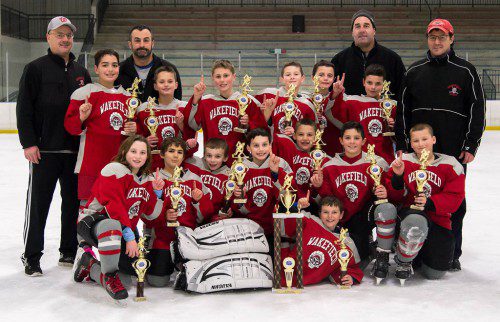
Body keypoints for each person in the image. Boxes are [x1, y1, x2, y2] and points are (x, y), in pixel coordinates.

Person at [395, 19, 485, 270]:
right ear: (427, 39)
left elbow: (477, 109)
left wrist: (471, 144)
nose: (437, 42)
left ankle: (451, 252)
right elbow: (402, 111)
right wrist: (402, 142)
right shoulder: (414, 71)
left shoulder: (465, 71)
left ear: (451, 39)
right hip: (419, 150)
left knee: (453, 202)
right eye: (432, 37)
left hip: (454, 152)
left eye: (441, 37)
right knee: (415, 197)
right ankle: (413, 246)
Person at [16, 16, 91, 276]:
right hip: (44, 151)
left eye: (69, 35)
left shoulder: (81, 72)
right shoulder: (35, 68)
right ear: (48, 37)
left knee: (71, 204)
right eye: (59, 34)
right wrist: (28, 143)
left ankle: (68, 251)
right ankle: (32, 256)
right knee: (39, 206)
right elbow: (23, 108)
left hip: (73, 152)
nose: (65, 39)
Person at [73, 135, 165, 300]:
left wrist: (157, 193)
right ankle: (109, 276)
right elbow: (113, 206)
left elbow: (152, 214)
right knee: (112, 225)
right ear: (124, 151)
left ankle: (89, 265)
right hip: (93, 222)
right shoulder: (114, 169)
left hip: (123, 229)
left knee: (126, 281)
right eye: (134, 151)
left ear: (148, 156)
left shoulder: (147, 179)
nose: (138, 156)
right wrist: (130, 236)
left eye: (143, 152)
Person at [312, 122, 399, 279]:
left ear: (364, 141)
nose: (352, 142)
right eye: (348, 138)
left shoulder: (376, 162)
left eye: (356, 138)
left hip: (365, 215)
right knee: (349, 260)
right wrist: (319, 187)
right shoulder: (330, 166)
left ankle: (381, 252)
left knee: (385, 209)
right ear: (340, 141)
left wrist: (386, 191)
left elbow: (391, 191)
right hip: (342, 219)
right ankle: (369, 247)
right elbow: (328, 199)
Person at [389, 124, 465, 284]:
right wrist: (398, 176)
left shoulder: (451, 164)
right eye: (416, 140)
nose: (421, 144)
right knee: (415, 219)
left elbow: (455, 197)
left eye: (424, 139)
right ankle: (405, 258)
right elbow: (393, 195)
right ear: (410, 143)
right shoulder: (403, 161)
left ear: (433, 139)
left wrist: (429, 202)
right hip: (411, 217)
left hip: (438, 221)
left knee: (434, 273)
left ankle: (420, 254)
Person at [65, 49, 137, 204]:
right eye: (105, 65)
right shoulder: (84, 93)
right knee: (88, 213)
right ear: (96, 69)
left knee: (119, 211)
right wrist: (81, 118)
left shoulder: (129, 98)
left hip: (121, 166)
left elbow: (136, 135)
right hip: (91, 167)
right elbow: (70, 127)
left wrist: (134, 130)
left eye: (114, 65)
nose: (110, 69)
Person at [146, 137, 213, 287]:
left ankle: (180, 264)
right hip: (162, 239)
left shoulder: (194, 178)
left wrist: (197, 201)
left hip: (189, 240)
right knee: (157, 282)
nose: (175, 155)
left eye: (179, 152)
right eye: (171, 151)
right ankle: (169, 263)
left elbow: (205, 215)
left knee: (194, 280)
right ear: (162, 154)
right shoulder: (153, 179)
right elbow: (146, 216)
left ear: (184, 156)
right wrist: (163, 216)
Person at [185, 59, 267, 165]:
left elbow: (261, 132)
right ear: (213, 79)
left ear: (233, 77)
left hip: (240, 162)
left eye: (226, 75)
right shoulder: (205, 102)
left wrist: (247, 125)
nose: (222, 80)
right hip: (213, 163)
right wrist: (196, 97)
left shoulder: (248, 101)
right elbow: (192, 125)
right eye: (218, 77)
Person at [281, 196, 363, 287]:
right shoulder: (309, 221)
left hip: (310, 286)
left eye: (334, 212)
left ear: (341, 215)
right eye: (325, 212)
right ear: (320, 214)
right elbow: (284, 225)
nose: (330, 216)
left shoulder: (346, 243)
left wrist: (350, 277)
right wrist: (297, 207)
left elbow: (351, 268)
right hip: (287, 274)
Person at [233, 128, 292, 251]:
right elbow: (237, 207)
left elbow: (289, 196)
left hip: (276, 228)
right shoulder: (239, 167)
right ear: (248, 148)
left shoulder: (281, 163)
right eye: (256, 145)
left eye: (264, 145)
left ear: (270, 146)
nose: (261, 149)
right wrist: (239, 197)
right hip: (249, 228)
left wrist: (276, 173)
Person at [331, 9, 406, 102]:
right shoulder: (339, 60)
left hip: (384, 115)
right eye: (357, 26)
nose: (362, 30)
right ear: (352, 32)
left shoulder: (393, 59)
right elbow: (329, 96)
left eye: (366, 26)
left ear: (374, 31)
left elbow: (403, 93)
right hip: (350, 116)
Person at [331, 64, 396, 163]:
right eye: (369, 83)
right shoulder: (352, 101)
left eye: (378, 84)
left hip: (385, 160)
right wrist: (336, 93)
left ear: (384, 85)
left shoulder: (391, 105)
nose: (373, 87)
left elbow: (398, 136)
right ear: (363, 82)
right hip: (359, 160)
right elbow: (336, 113)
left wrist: (394, 126)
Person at [136, 65, 197, 170]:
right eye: (162, 82)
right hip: (152, 166)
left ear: (176, 85)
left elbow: (192, 143)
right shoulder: (143, 109)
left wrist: (181, 125)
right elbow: (136, 139)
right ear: (155, 86)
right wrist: (145, 142)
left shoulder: (185, 107)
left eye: (170, 81)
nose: (166, 85)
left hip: (179, 165)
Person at [115, 25, 182, 101]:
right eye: (137, 40)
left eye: (146, 40)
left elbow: (177, 101)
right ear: (130, 44)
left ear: (152, 43)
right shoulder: (119, 70)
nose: (142, 45)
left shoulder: (169, 68)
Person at [255, 62, 317, 136]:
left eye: (296, 74)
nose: (292, 77)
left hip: (296, 146)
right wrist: (261, 111)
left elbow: (312, 132)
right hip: (272, 144)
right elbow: (253, 117)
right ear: (282, 79)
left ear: (302, 78)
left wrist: (296, 134)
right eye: (288, 75)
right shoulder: (268, 94)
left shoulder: (307, 104)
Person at [184, 138, 233, 223]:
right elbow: (181, 158)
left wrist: (231, 209)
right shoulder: (196, 163)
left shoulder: (230, 175)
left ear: (225, 158)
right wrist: (190, 147)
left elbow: (231, 199)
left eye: (217, 156)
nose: (212, 160)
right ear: (204, 155)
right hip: (193, 216)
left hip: (215, 220)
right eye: (209, 155)